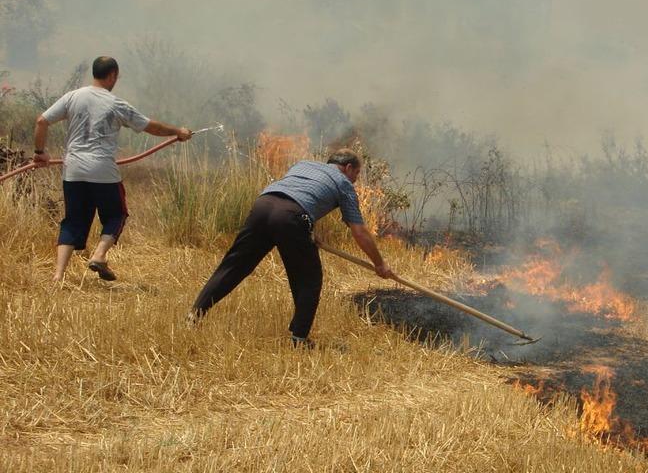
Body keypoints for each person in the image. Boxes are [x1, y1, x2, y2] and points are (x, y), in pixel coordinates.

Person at [188, 149, 394, 346]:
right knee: (309, 279)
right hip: (291, 217)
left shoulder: (303, 165)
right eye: (356, 173)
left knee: (234, 266)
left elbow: (299, 193)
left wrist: (308, 227)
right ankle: (299, 339)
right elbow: (359, 232)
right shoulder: (343, 182)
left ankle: (194, 314)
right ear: (348, 167)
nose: (355, 179)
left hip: (263, 205)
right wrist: (380, 264)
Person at [34, 56, 192, 282]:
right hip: (102, 170)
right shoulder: (116, 104)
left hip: (73, 170)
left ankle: (58, 276)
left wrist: (40, 153)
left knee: (73, 221)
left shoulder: (73, 97)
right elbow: (151, 127)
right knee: (117, 214)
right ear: (112, 75)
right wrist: (178, 131)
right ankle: (99, 255)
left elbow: (41, 121)